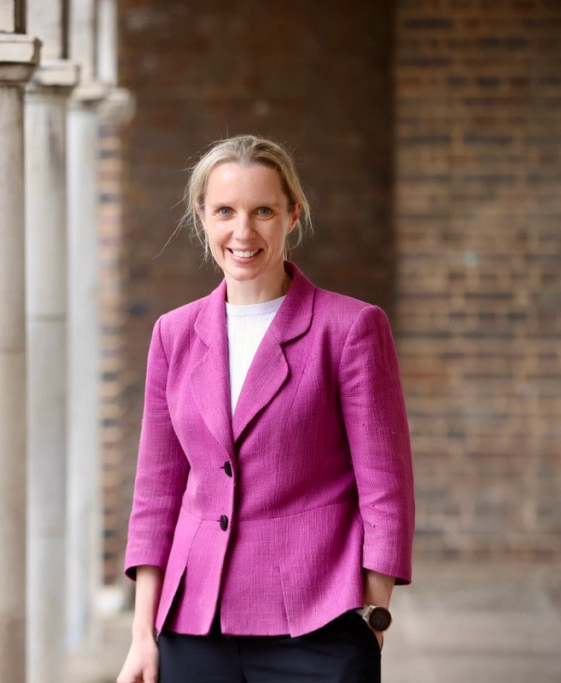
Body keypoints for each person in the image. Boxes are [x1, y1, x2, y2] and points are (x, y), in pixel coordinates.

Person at [116, 135, 415, 683]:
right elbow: (156, 493)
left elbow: (385, 490)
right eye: (225, 211)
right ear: (202, 217)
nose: (243, 232)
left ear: (292, 216)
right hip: (193, 624)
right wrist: (143, 635)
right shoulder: (173, 334)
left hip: (318, 624)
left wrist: (371, 623)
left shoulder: (349, 328)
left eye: (263, 211)